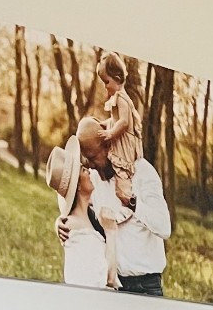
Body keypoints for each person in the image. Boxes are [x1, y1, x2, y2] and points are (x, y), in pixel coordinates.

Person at [61, 118, 172, 296]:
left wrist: (132, 202)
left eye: (92, 157)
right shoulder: (96, 178)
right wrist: (63, 221)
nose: (89, 165)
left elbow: (164, 227)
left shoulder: (143, 171)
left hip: (145, 286)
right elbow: (81, 206)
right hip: (114, 286)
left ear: (107, 145)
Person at [46, 142, 111, 289]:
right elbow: (92, 279)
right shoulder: (75, 229)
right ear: (78, 186)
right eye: (83, 170)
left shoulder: (90, 215)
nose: (88, 171)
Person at [97, 54, 142, 194]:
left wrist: (110, 133)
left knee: (123, 175)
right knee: (118, 177)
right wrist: (105, 124)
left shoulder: (121, 98)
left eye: (106, 82)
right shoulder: (118, 97)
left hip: (125, 146)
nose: (105, 87)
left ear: (117, 79)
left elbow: (123, 122)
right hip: (121, 142)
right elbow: (116, 120)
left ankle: (129, 199)